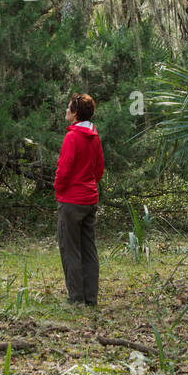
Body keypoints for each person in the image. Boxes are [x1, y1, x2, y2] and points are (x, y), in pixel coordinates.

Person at [54, 92, 104, 306]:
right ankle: (91, 298)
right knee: (89, 248)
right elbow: (99, 168)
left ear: (75, 113)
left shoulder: (72, 137)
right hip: (89, 200)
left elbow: (63, 170)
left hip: (72, 201)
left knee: (70, 248)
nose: (66, 111)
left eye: (68, 108)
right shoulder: (94, 136)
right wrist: (89, 183)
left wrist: (59, 189)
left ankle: (76, 298)